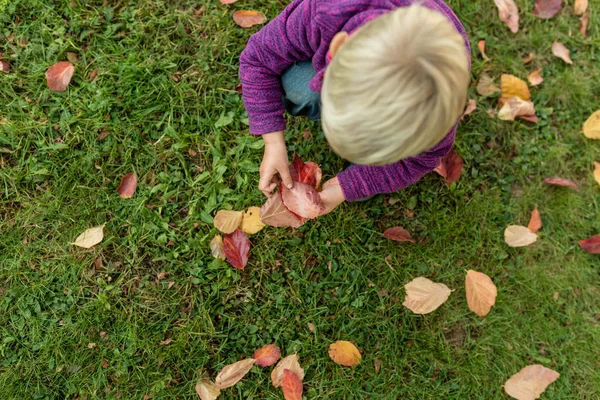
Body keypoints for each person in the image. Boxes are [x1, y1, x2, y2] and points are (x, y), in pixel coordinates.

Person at [239, 0, 470, 215]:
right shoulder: (324, 13)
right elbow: (258, 58)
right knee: (299, 88)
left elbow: (419, 161)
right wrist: (273, 141)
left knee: (375, 176)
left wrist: (347, 187)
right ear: (338, 47)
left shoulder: (441, 110)